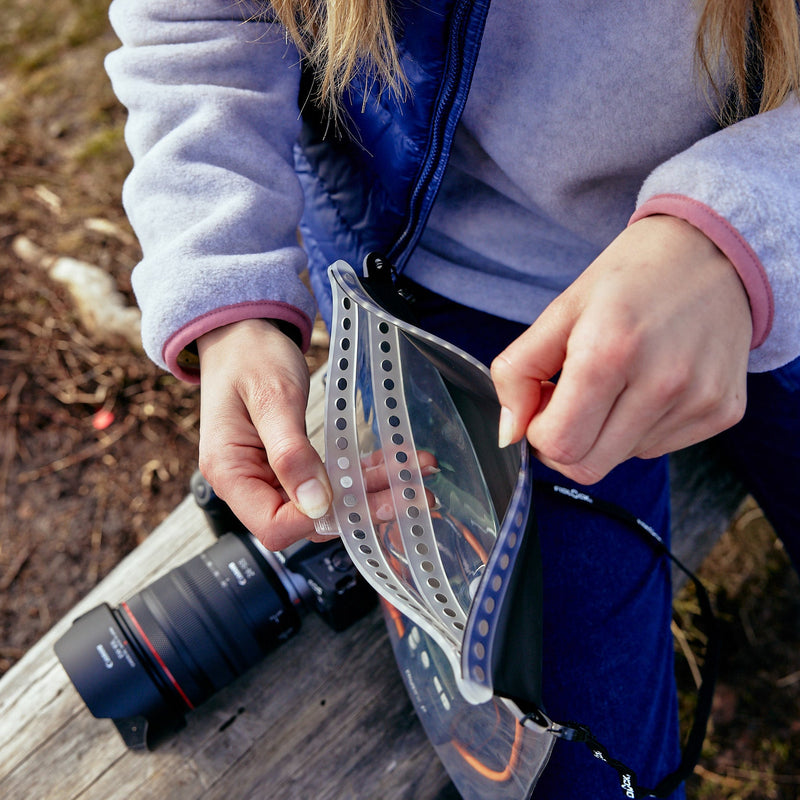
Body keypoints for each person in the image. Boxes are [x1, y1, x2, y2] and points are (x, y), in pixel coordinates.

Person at [105, 0, 800, 796]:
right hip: (460, 272)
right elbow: (199, 22)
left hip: (778, 215)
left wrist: (742, 229)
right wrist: (230, 293)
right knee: (568, 772)